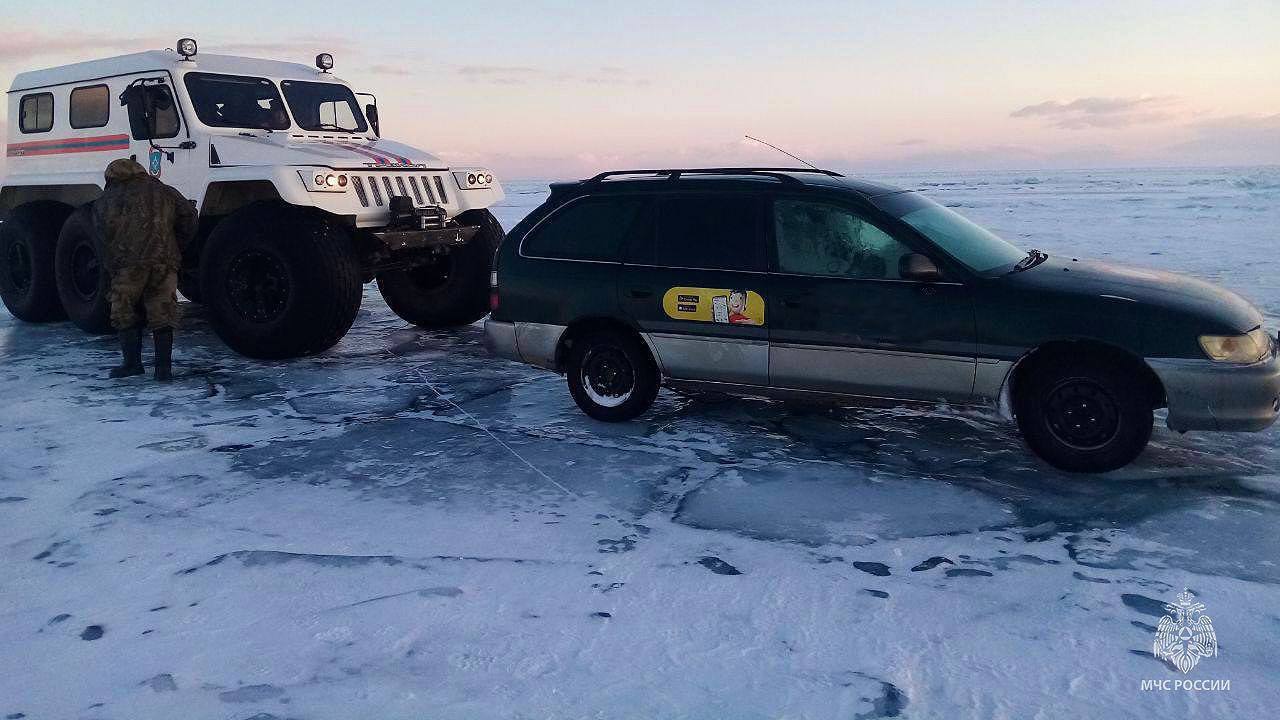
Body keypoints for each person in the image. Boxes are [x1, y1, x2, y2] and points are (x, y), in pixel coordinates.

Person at [94, 158, 198, 381]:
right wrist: (176, 245)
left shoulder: (105, 200)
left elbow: (101, 237)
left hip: (127, 266)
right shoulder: (165, 191)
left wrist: (111, 263)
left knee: (123, 311)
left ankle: (132, 364)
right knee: (163, 311)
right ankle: (163, 370)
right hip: (163, 261)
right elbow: (188, 216)